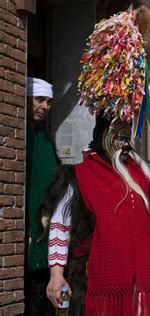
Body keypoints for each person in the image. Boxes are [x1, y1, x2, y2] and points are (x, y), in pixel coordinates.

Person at [38, 4, 150, 314]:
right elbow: (60, 224)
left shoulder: (141, 172)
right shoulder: (81, 173)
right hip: (106, 286)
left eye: (130, 133)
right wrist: (56, 274)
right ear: (103, 133)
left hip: (149, 284)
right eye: (120, 132)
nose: (126, 140)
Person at [25, 77, 58, 315]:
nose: (45, 106)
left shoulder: (44, 137)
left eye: (48, 101)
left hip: (47, 227)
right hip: (30, 230)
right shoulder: (22, 135)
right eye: (39, 99)